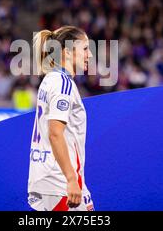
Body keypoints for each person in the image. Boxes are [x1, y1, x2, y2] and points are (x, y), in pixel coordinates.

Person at [27, 25, 95, 211]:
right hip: (60, 181)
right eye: (85, 49)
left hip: (51, 177)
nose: (89, 55)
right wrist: (71, 179)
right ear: (66, 53)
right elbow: (55, 133)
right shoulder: (62, 84)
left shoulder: (51, 79)